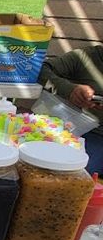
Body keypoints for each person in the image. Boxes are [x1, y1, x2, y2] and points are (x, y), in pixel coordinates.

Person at [39, 44, 103, 173]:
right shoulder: (87, 56)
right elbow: (41, 70)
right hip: (91, 133)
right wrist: (69, 90)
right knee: (78, 173)